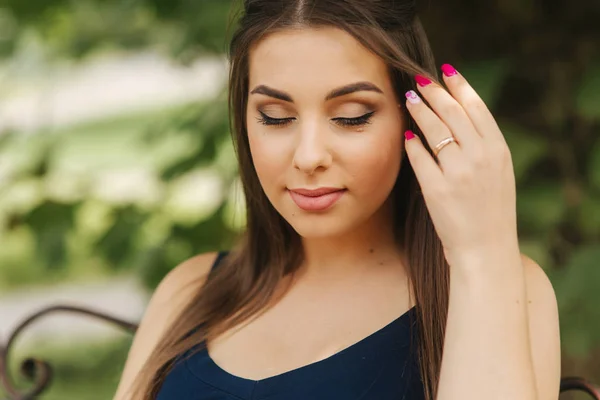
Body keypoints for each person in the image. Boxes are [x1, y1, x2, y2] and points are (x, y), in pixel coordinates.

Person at [113, 0, 561, 399]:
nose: (309, 156)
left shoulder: (503, 287)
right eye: (276, 117)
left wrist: (481, 254)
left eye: (351, 117)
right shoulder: (190, 290)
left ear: (415, 114)